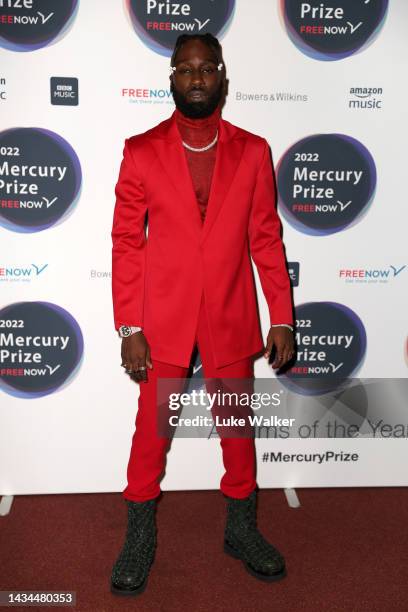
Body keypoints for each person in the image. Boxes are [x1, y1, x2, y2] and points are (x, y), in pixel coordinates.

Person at [110, 33, 295, 596]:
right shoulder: (140, 150)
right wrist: (130, 326)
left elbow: (265, 237)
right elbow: (126, 243)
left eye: (206, 69)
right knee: (151, 436)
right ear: (171, 78)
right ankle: (139, 538)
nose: (196, 78)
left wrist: (282, 317)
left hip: (231, 316)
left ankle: (241, 530)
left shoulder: (255, 150)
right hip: (162, 320)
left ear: (222, 77)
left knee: (238, 431)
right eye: (185, 69)